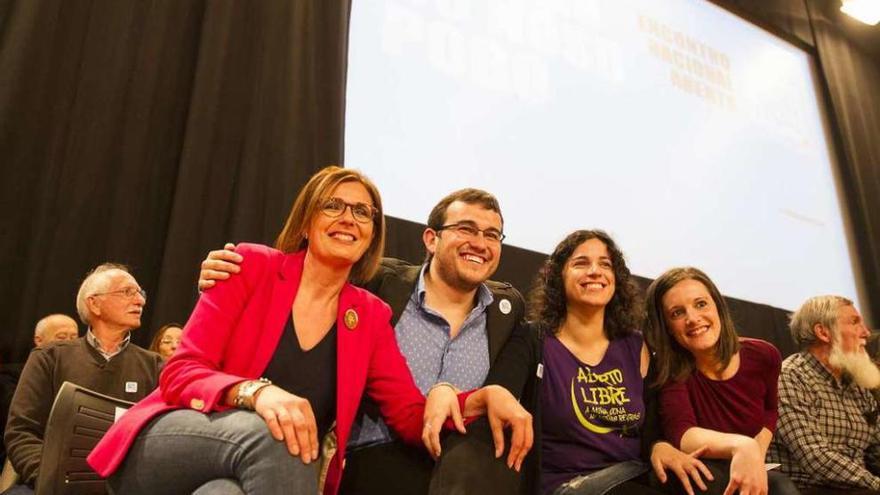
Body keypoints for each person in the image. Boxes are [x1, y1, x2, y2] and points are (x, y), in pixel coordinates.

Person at [88, 166, 530, 495]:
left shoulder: (369, 315)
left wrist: (470, 397)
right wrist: (258, 393)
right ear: (305, 220)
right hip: (174, 440)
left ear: (373, 234)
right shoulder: (250, 266)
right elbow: (180, 372)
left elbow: (411, 417)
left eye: (363, 212)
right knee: (283, 435)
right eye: (333, 205)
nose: (349, 218)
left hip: (255, 472)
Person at [198, 187, 527, 494]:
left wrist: (460, 395)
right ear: (431, 239)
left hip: (453, 470)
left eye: (492, 235)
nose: (480, 243)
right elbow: (306, 273)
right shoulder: (376, 283)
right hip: (365, 462)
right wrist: (234, 274)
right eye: (466, 229)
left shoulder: (506, 312)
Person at [435, 230, 713, 495]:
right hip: (570, 485)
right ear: (559, 277)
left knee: (710, 480)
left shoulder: (637, 345)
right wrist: (448, 390)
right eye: (581, 263)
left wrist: (660, 446)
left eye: (605, 264)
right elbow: (499, 392)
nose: (595, 271)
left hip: (633, 474)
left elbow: (652, 429)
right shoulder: (534, 339)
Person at [4, 264, 161, 494]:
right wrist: (48, 478)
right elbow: (21, 431)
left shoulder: (155, 366)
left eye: (140, 293)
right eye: (127, 292)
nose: (140, 301)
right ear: (94, 303)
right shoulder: (49, 358)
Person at [645, 266, 798, 495]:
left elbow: (770, 410)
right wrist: (742, 446)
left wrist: (755, 452)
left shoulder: (764, 355)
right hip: (700, 469)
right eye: (677, 313)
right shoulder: (669, 368)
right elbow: (682, 434)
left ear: (717, 305)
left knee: (780, 487)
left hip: (747, 463)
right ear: (666, 326)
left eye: (701, 304)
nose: (693, 318)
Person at [768, 295, 880, 494]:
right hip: (808, 488)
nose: (866, 333)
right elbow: (815, 457)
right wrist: (876, 484)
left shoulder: (856, 385)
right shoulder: (790, 377)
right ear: (823, 332)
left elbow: (875, 449)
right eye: (855, 322)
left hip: (857, 487)